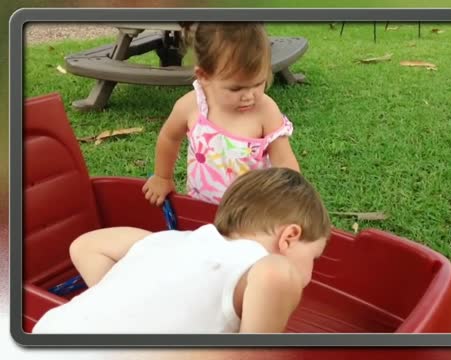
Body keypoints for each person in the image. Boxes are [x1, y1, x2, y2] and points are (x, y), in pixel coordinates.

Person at [32, 168, 331, 334]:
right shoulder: (269, 269)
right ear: (289, 237)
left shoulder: (164, 242)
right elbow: (276, 276)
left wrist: (130, 298)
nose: (310, 271)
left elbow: (86, 246)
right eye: (313, 257)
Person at [142, 22, 300, 206]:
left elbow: (284, 161)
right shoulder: (192, 106)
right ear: (204, 76)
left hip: (252, 213)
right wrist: (162, 177)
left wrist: (293, 200)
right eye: (236, 89)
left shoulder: (265, 110)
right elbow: (169, 137)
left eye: (258, 84)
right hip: (201, 205)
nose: (249, 96)